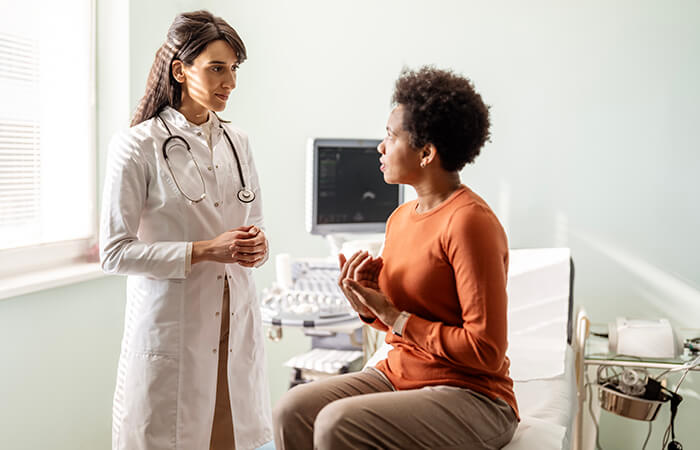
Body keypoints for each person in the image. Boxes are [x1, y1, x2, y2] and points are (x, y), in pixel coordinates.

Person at [273, 66, 519, 450]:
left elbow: (486, 352)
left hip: (473, 394)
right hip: (402, 374)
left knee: (337, 424)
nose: (380, 146)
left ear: (426, 153)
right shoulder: (401, 218)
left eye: (390, 135)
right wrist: (367, 302)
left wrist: (394, 316)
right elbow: (396, 321)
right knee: (292, 409)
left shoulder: (470, 223)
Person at [100, 10, 272, 450]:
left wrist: (258, 246)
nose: (229, 81)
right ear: (180, 70)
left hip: (234, 320)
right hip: (174, 324)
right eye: (217, 67)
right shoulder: (137, 146)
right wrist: (203, 250)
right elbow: (114, 252)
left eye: (233, 69)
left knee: (228, 437)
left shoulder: (239, 142)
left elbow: (253, 225)